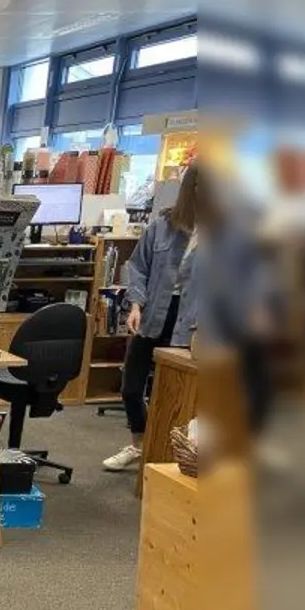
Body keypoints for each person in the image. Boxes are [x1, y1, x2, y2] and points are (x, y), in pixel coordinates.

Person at [104, 163, 207, 472]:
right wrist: (135, 304)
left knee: (177, 396)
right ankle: (140, 443)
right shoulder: (164, 225)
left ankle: (167, 456)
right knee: (132, 388)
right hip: (154, 314)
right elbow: (137, 266)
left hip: (193, 323)